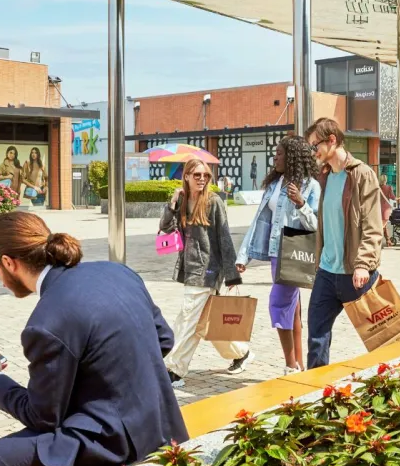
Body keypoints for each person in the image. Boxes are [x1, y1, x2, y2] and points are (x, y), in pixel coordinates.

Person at [0, 212, 187, 466]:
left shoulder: (45, 322)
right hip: (159, 421)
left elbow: (41, 417)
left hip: (108, 442)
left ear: (8, 263)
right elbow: (164, 339)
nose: (0, 280)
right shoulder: (117, 271)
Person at [159, 157, 252, 388]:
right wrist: (171, 204)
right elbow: (165, 227)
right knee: (207, 323)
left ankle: (174, 369)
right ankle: (241, 352)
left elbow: (224, 237)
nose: (202, 179)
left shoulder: (213, 202)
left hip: (207, 270)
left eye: (205, 175)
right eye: (197, 175)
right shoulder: (181, 200)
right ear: (187, 176)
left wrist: (231, 273)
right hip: (188, 267)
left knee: (187, 318)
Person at [236, 136, 320, 374]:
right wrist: (244, 256)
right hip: (276, 253)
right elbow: (259, 221)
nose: (275, 157)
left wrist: (301, 203)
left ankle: (290, 365)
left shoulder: (310, 185)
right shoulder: (275, 184)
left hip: (295, 250)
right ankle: (300, 365)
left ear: (292, 157)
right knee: (292, 311)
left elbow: (317, 224)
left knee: (279, 304)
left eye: (279, 153)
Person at [305, 118, 383, 369]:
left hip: (355, 272)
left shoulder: (362, 174)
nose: (313, 151)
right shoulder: (324, 176)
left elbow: (373, 225)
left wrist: (363, 264)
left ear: (332, 141)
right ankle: (315, 392)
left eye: (315, 145)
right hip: (327, 273)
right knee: (317, 336)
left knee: (381, 333)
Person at [378, 174, 396, 247]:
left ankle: (388, 241)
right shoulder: (388, 188)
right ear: (386, 180)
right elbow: (393, 197)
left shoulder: (377, 188)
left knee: (383, 226)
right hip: (385, 209)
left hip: (378, 209)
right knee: (382, 226)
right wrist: (399, 198)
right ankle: (377, 242)